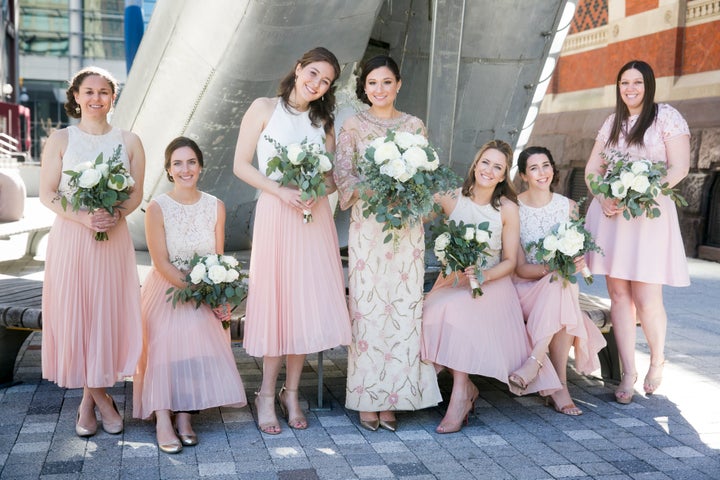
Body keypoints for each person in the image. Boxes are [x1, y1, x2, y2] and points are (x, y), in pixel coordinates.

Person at [232, 47, 351, 434]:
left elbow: (332, 175)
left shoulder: (324, 121)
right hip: (276, 212)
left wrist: (320, 188)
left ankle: (292, 391)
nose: (316, 84)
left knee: (305, 303)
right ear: (298, 68)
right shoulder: (264, 107)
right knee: (278, 302)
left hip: (313, 217)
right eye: (312, 73)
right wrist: (279, 190)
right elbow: (240, 165)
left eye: (325, 81)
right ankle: (265, 394)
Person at [421, 140, 561, 433]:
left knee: (458, 308)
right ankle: (465, 388)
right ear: (475, 164)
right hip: (455, 279)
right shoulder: (450, 197)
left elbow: (510, 261)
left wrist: (484, 275)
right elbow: (417, 215)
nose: (489, 170)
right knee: (435, 307)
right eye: (485, 162)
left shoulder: (508, 208)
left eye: (497, 167)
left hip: (493, 282)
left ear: (503, 176)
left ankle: (460, 394)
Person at [334, 55, 442, 432]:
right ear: (364, 88)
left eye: (386, 82)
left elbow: (427, 177)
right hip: (369, 229)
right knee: (369, 309)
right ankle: (368, 397)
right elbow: (343, 176)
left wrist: (406, 188)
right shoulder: (353, 126)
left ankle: (397, 394)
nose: (379, 89)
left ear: (398, 84)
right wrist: (379, 184)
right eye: (372, 83)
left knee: (403, 307)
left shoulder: (414, 125)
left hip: (407, 227)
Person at [39, 66, 145, 437]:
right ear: (77, 97)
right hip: (71, 237)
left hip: (111, 239)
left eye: (103, 92)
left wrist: (115, 213)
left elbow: (135, 194)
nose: (96, 98)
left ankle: (88, 402)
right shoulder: (61, 139)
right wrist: (83, 218)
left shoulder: (129, 140)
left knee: (104, 313)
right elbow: (48, 192)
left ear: (113, 98)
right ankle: (100, 400)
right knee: (77, 314)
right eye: (89, 91)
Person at [584, 60, 690, 404]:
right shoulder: (612, 123)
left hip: (649, 217)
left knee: (646, 297)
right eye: (624, 82)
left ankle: (657, 360)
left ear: (649, 85)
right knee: (618, 297)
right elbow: (592, 169)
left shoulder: (666, 117)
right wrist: (602, 197)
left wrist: (645, 190)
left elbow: (680, 166)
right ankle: (627, 371)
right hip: (614, 218)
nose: (630, 89)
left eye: (637, 83)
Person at [133, 137, 247, 453]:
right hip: (167, 289)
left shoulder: (215, 206)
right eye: (178, 164)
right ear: (169, 170)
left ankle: (184, 416)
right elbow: (161, 262)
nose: (186, 169)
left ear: (200, 166)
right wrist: (197, 289)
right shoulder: (157, 208)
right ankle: (162, 419)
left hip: (203, 291)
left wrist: (219, 298)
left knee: (199, 333)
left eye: (191, 162)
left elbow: (218, 259)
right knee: (166, 336)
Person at [513, 146, 607, 416]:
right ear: (523, 175)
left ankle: (541, 369)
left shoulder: (569, 207)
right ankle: (556, 385)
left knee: (564, 286)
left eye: (546, 165)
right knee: (562, 288)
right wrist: (552, 268)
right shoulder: (514, 209)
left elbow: (575, 260)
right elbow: (519, 269)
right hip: (524, 289)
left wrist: (576, 264)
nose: (541, 172)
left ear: (553, 169)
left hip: (558, 289)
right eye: (533, 168)